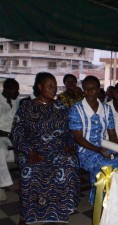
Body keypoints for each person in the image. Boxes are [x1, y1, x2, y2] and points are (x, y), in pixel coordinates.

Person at [11, 72, 80, 225]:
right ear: (40, 87)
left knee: (69, 165)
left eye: (55, 87)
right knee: (30, 172)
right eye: (50, 86)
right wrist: (29, 151)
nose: (53, 89)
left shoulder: (61, 106)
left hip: (58, 150)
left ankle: (60, 213)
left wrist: (70, 144)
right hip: (32, 151)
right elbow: (17, 133)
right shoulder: (26, 107)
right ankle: (26, 216)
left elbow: (70, 130)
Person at [69, 76, 118, 204]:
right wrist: (98, 150)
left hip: (103, 148)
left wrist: (114, 148)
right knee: (105, 167)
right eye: (86, 89)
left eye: (93, 88)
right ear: (83, 90)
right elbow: (78, 138)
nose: (89, 92)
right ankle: (100, 202)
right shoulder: (76, 109)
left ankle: (117, 201)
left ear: (98, 89)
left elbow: (112, 134)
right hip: (84, 151)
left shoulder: (106, 109)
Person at [0, 78, 19, 202]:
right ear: (7, 89)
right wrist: (8, 134)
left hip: (13, 134)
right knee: (1, 152)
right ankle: (1, 186)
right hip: (1, 136)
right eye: (15, 90)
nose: (17, 92)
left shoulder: (16, 100)